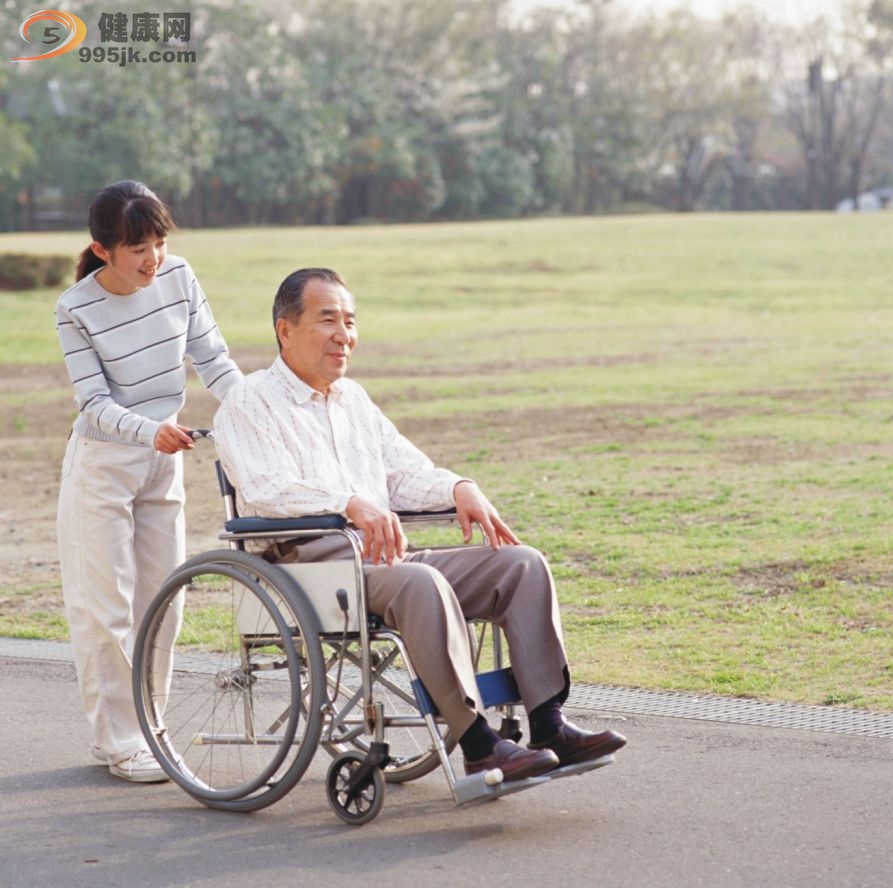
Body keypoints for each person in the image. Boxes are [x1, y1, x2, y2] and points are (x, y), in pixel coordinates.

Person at [213, 267, 626, 783]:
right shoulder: (249, 402)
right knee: (421, 581)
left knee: (522, 565)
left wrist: (459, 488)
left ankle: (548, 724)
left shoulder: (354, 401)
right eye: (328, 320)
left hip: (383, 561)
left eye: (350, 321)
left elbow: (406, 472)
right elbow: (268, 489)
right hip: (311, 566)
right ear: (285, 330)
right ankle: (478, 744)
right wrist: (350, 502)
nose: (345, 335)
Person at [56, 180, 242, 783]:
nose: (152, 258)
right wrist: (148, 431)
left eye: (158, 241)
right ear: (102, 249)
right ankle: (119, 740)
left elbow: (213, 359)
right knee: (105, 609)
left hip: (163, 459)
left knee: (165, 601)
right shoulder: (75, 309)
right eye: (137, 247)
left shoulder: (180, 278)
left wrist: (256, 411)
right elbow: (91, 404)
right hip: (102, 466)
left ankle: (146, 728)